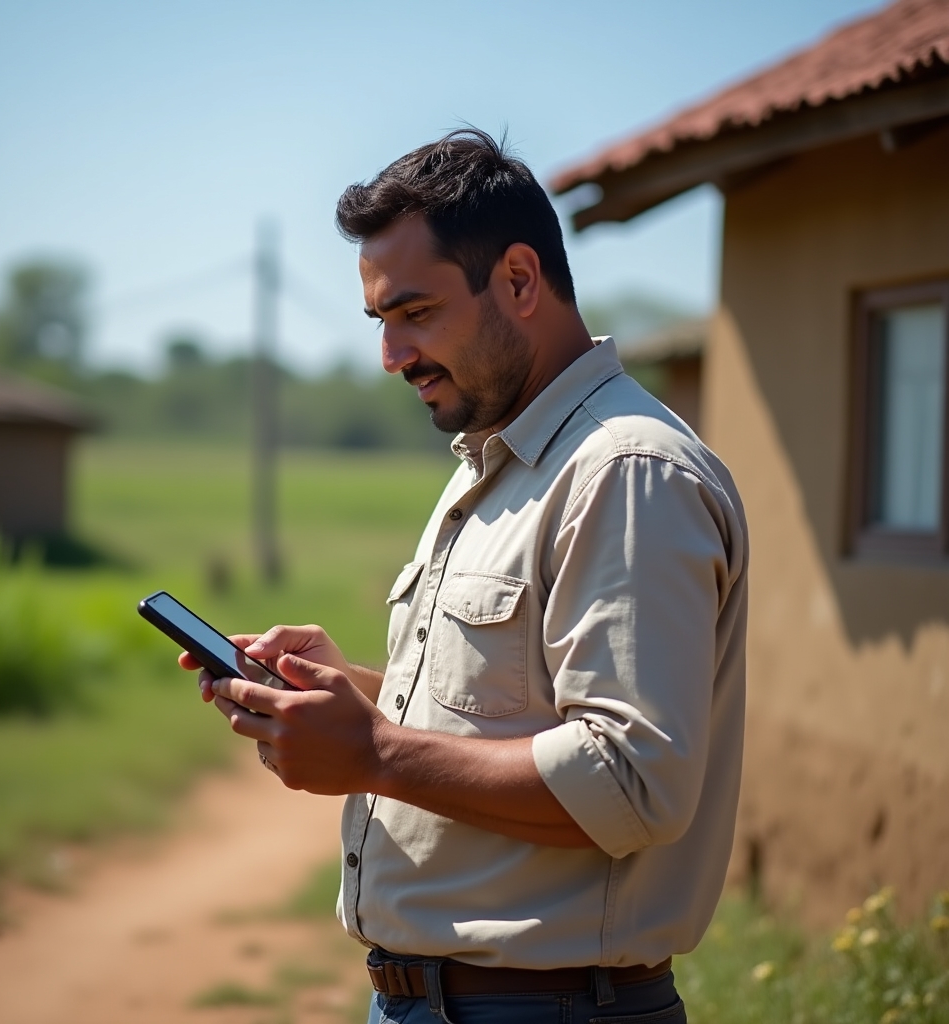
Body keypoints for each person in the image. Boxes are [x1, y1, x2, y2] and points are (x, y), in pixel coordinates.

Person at [181, 129, 748, 1024]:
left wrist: (372, 752)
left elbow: (633, 781)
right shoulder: (502, 458)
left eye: (416, 313)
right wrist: (352, 697)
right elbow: (510, 711)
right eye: (380, 322)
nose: (392, 355)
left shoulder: (625, 470)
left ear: (519, 281)